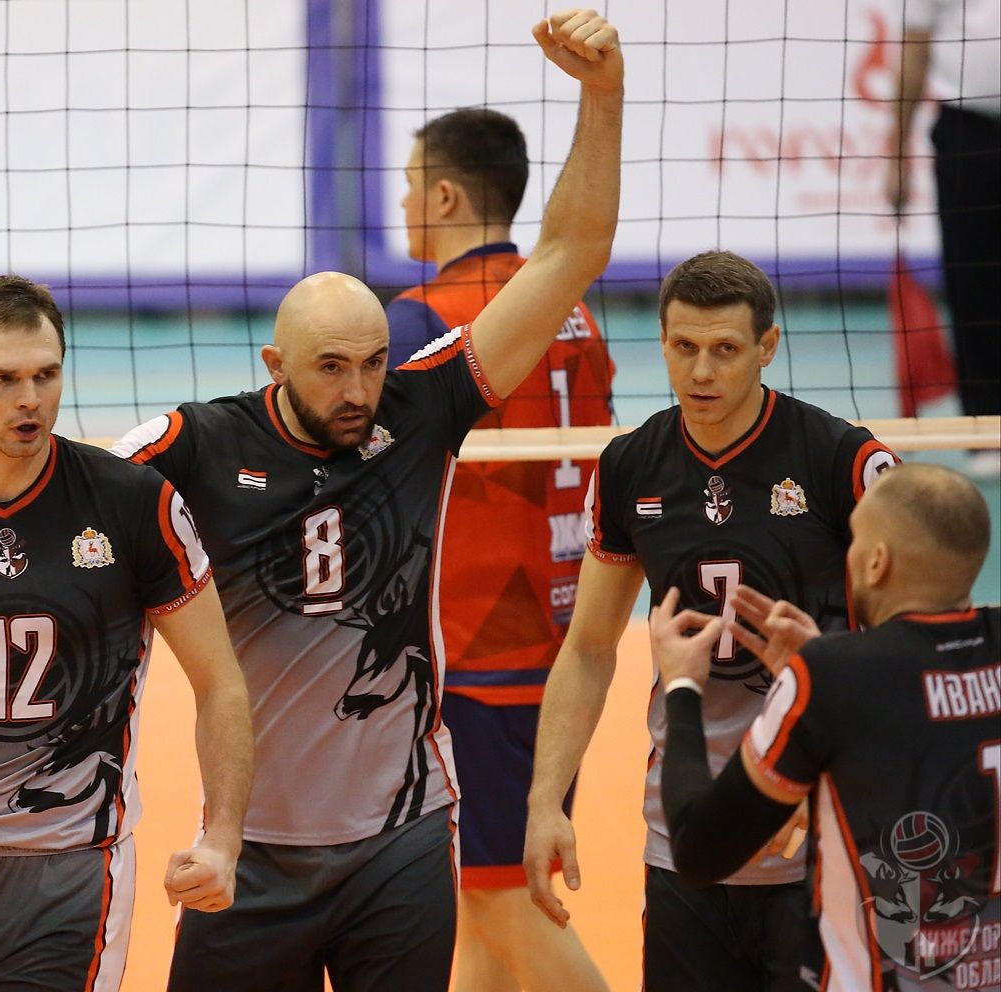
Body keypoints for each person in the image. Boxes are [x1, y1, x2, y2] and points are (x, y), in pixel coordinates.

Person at [0, 11, 625, 991]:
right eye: (331, 368)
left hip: (402, 837)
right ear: (277, 364)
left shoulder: (420, 408)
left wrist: (603, 94)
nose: (358, 391)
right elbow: (54, 470)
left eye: (373, 363)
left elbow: (570, 250)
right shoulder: (203, 441)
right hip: (253, 853)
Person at [0, 275, 254, 991]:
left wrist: (222, 841)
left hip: (70, 873)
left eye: (46, 375)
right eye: (2, 379)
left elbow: (220, 683)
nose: (30, 399)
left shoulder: (134, 504)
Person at [524, 250, 900, 991]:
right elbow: (590, 647)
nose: (701, 372)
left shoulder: (843, 461)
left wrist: (836, 738)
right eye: (683, 347)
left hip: (821, 840)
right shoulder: (631, 466)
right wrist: (546, 801)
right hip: (685, 843)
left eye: (725, 350)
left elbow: (907, 646)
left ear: (767, 347)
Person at [387, 106, 613, 992]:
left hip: (476, 650)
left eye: (411, 185)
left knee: (505, 903)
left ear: (445, 196)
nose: (403, 203)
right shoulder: (572, 311)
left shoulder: (423, 320)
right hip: (562, 643)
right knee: (480, 910)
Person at [652, 462, 999, 991]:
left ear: (877, 562)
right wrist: (827, 661)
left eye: (855, 539)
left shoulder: (830, 679)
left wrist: (682, 687)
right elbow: (927, 707)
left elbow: (699, 850)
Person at [886, 0, 1000, 476]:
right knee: (973, 284)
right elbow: (914, 47)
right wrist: (896, 153)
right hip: (967, 132)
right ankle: (986, 431)